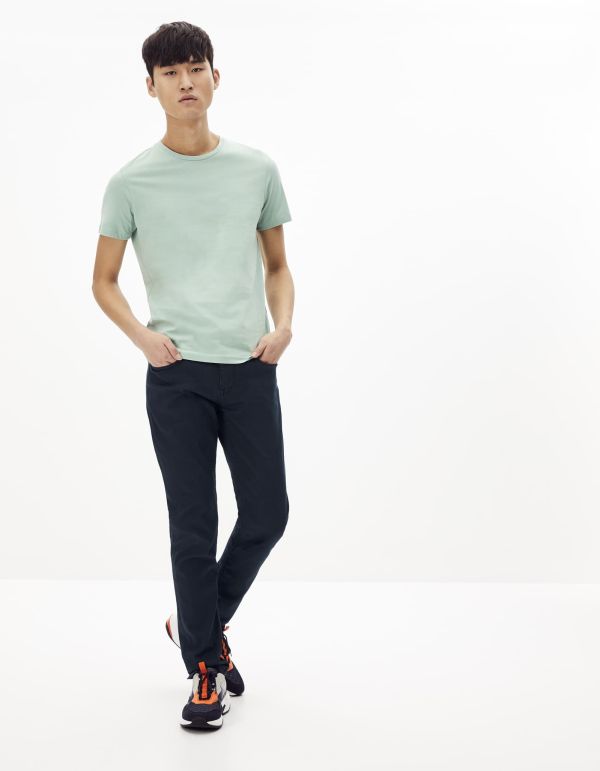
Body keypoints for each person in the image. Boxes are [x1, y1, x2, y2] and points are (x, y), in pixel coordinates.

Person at [92, 20, 294, 730]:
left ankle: (195, 623)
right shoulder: (131, 181)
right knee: (193, 525)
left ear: (215, 77)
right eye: (170, 72)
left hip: (249, 366)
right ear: (150, 86)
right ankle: (205, 668)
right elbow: (104, 280)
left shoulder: (256, 169)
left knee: (268, 514)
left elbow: (277, 264)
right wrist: (143, 338)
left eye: (195, 68)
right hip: (176, 375)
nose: (185, 82)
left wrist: (282, 326)